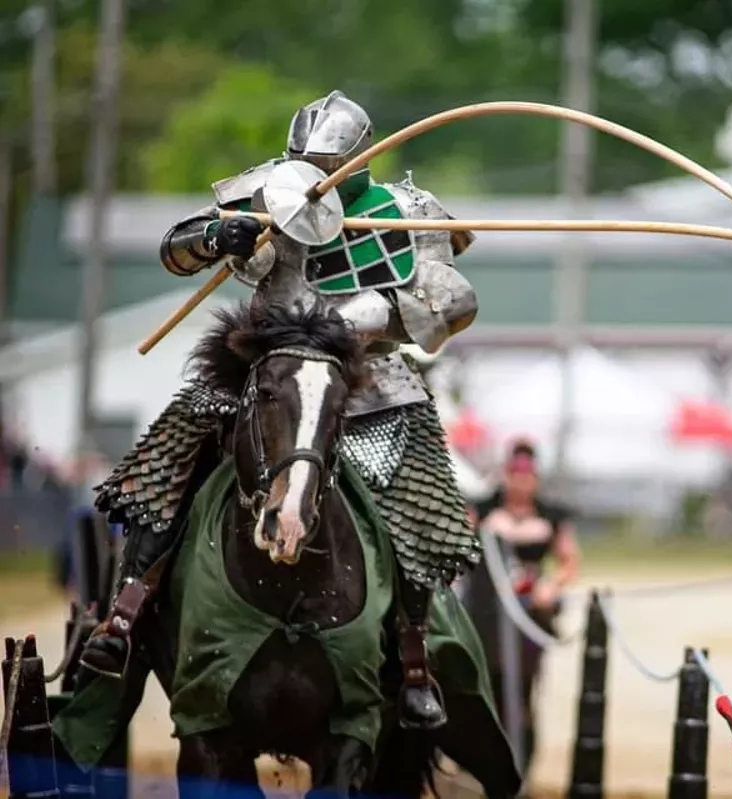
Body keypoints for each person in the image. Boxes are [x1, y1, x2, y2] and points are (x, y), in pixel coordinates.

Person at [79, 90, 479, 730]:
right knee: (158, 475)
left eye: (326, 165)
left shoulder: (411, 212)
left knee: (424, 518)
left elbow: (450, 304)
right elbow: (175, 249)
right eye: (305, 162)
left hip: (372, 383)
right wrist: (217, 235)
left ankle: (412, 662)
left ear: (358, 160)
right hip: (263, 376)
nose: (313, 175)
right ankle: (125, 616)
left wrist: (356, 320)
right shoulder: (268, 190)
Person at [465, 439, 580, 774]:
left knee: (523, 691)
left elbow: (569, 561)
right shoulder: (482, 510)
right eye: (515, 473)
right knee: (483, 688)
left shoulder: (550, 516)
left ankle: (520, 766)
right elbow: (458, 548)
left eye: (527, 475)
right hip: (483, 616)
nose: (521, 481)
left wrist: (551, 585)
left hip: (528, 618)